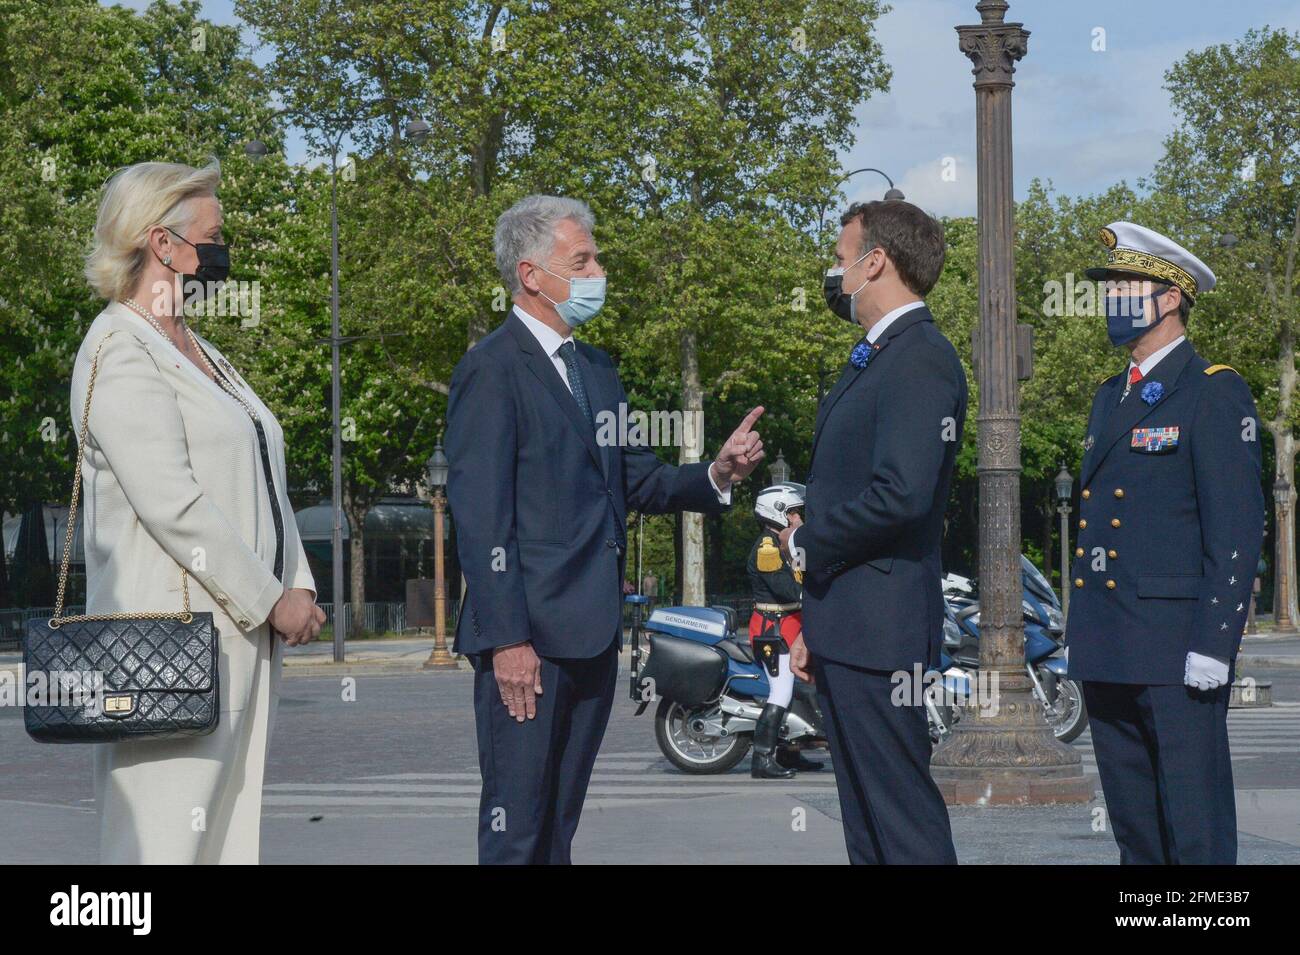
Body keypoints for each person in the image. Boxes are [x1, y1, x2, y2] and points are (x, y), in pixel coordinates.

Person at [446, 195, 766, 865]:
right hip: (527, 641)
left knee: (559, 823)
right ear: (532, 274)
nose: (599, 271)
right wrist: (508, 639)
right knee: (518, 829)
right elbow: (480, 519)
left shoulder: (597, 370)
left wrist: (715, 471)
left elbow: (638, 481)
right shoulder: (491, 368)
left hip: (590, 636)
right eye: (583, 259)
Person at [75, 160, 324, 863]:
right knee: (157, 851)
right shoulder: (118, 349)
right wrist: (271, 598)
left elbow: (260, 466)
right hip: (165, 651)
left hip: (232, 642)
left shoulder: (199, 350)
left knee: (221, 845)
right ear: (161, 243)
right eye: (211, 235)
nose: (221, 249)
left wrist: (296, 577)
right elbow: (173, 503)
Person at [1066, 221, 1264, 864]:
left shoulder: (1212, 388)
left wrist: (1215, 644)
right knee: (1137, 830)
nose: (1113, 300)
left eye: (1127, 286)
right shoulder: (1108, 396)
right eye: (1110, 289)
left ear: (1171, 296)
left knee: (1194, 825)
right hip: (1110, 645)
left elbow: (1236, 528)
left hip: (1176, 650)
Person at [779, 199, 965, 865]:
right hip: (853, 627)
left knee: (901, 823)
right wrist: (817, 621)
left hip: (881, 633)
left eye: (840, 258)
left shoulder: (918, 358)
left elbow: (901, 496)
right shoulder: (878, 355)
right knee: (870, 830)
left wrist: (807, 541)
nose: (835, 272)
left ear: (875, 260)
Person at [746, 483, 820, 778]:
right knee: (782, 690)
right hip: (773, 629)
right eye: (793, 513)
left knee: (799, 689)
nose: (798, 519)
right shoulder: (767, 549)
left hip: (789, 626)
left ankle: (790, 753)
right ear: (776, 513)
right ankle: (761, 759)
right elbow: (789, 589)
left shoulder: (783, 544)